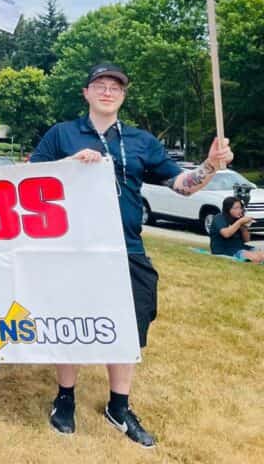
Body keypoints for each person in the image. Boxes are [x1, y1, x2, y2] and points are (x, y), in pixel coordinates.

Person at [30, 62, 233, 448]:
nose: (108, 91)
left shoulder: (142, 141)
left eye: (115, 87)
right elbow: (30, 180)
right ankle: (65, 398)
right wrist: (68, 166)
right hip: (73, 247)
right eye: (100, 85)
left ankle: (119, 407)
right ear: (86, 93)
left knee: (127, 328)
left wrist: (210, 165)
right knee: (70, 322)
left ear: (123, 95)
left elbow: (183, 186)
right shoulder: (63, 134)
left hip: (127, 248)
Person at [210, 196, 263, 263]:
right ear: (228, 209)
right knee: (256, 258)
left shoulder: (238, 219)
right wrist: (240, 222)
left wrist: (244, 226)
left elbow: (247, 239)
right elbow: (226, 234)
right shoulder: (219, 218)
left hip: (240, 247)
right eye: (236, 208)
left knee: (262, 255)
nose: (239, 210)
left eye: (240, 208)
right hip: (224, 249)